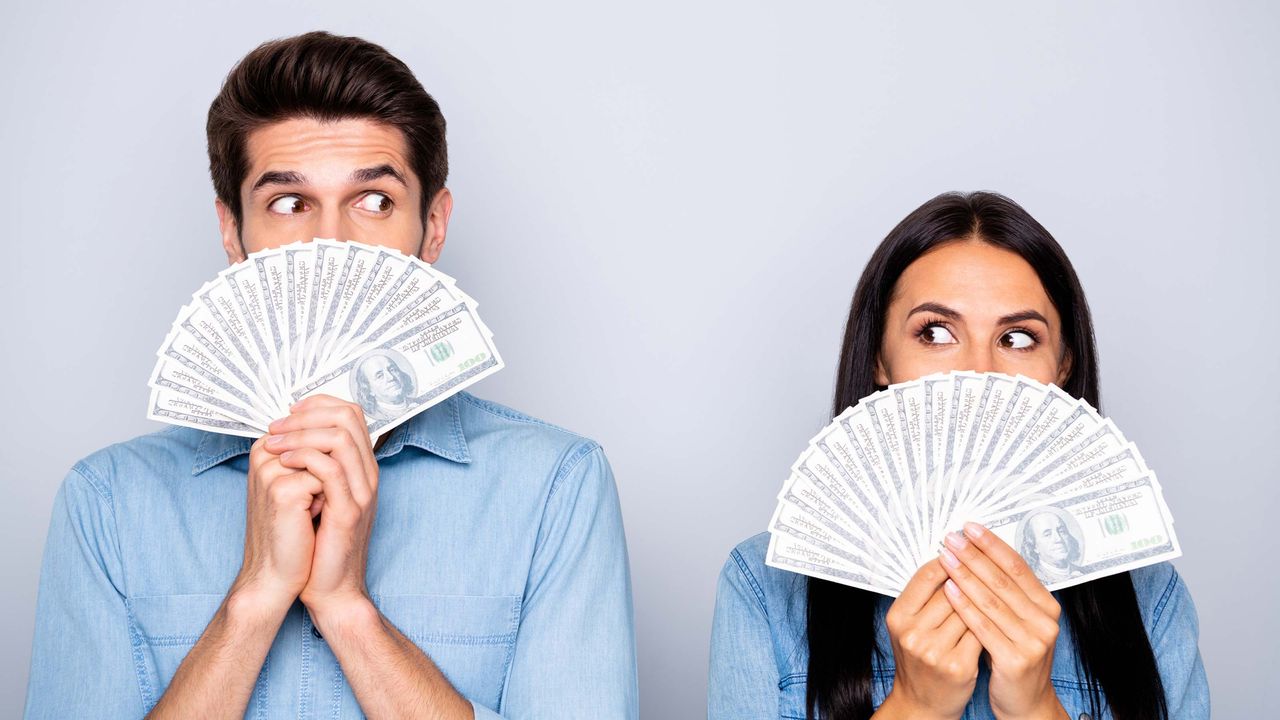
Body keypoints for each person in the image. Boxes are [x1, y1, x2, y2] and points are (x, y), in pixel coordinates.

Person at [25, 32, 637, 719]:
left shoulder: (556, 488)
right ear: (233, 232)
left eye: (374, 200)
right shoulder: (107, 502)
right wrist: (255, 599)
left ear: (432, 227)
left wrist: (346, 609)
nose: (332, 244)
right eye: (289, 203)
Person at [707, 192, 1208, 720]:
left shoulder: (1151, 601)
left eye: (1017, 337)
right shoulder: (765, 588)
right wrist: (914, 707)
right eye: (936, 332)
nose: (979, 373)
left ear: (1062, 367)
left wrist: (1038, 708)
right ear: (880, 357)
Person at [1019, 507, 1084, 584]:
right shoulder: (1032, 579)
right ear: (1034, 546)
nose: (1058, 539)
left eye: (1061, 531)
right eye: (1047, 534)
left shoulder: (1083, 572)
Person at [351, 349, 417, 422]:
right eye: (379, 376)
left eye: (392, 369)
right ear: (369, 390)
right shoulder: (375, 416)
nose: (391, 377)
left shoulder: (418, 402)